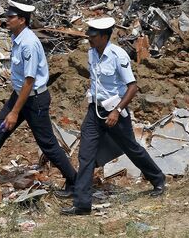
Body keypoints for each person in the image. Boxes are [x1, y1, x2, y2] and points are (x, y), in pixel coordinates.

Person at [0, 0, 77, 192]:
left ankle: (74, 181)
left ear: (22, 20)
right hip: (21, 96)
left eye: (11, 17)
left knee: (47, 144)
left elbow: (29, 81)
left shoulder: (28, 43)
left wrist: (14, 112)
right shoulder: (18, 38)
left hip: (34, 100)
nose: (7, 20)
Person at [61, 17, 166, 216]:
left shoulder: (118, 55)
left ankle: (158, 178)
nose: (89, 39)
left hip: (115, 112)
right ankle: (82, 204)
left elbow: (132, 87)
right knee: (86, 154)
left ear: (104, 36)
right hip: (95, 111)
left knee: (131, 148)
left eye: (92, 36)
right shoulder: (91, 53)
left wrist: (117, 110)